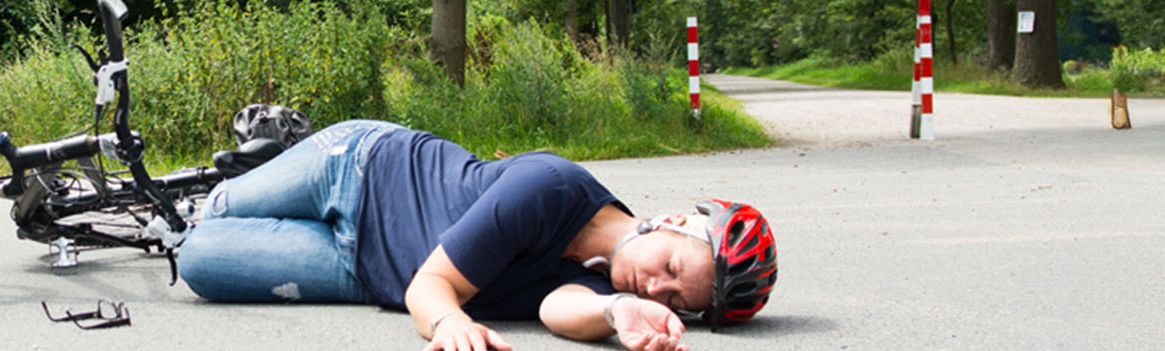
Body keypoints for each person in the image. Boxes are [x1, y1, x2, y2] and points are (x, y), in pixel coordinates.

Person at [176, 116, 777, 351]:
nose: (655, 287)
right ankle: (280, 147)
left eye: (674, 300)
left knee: (197, 256)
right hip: (359, 167)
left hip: (362, 268)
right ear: (672, 223)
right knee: (215, 208)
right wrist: (450, 322)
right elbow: (433, 287)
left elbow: (559, 308)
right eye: (671, 269)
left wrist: (620, 314)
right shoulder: (551, 188)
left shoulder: (606, 284)